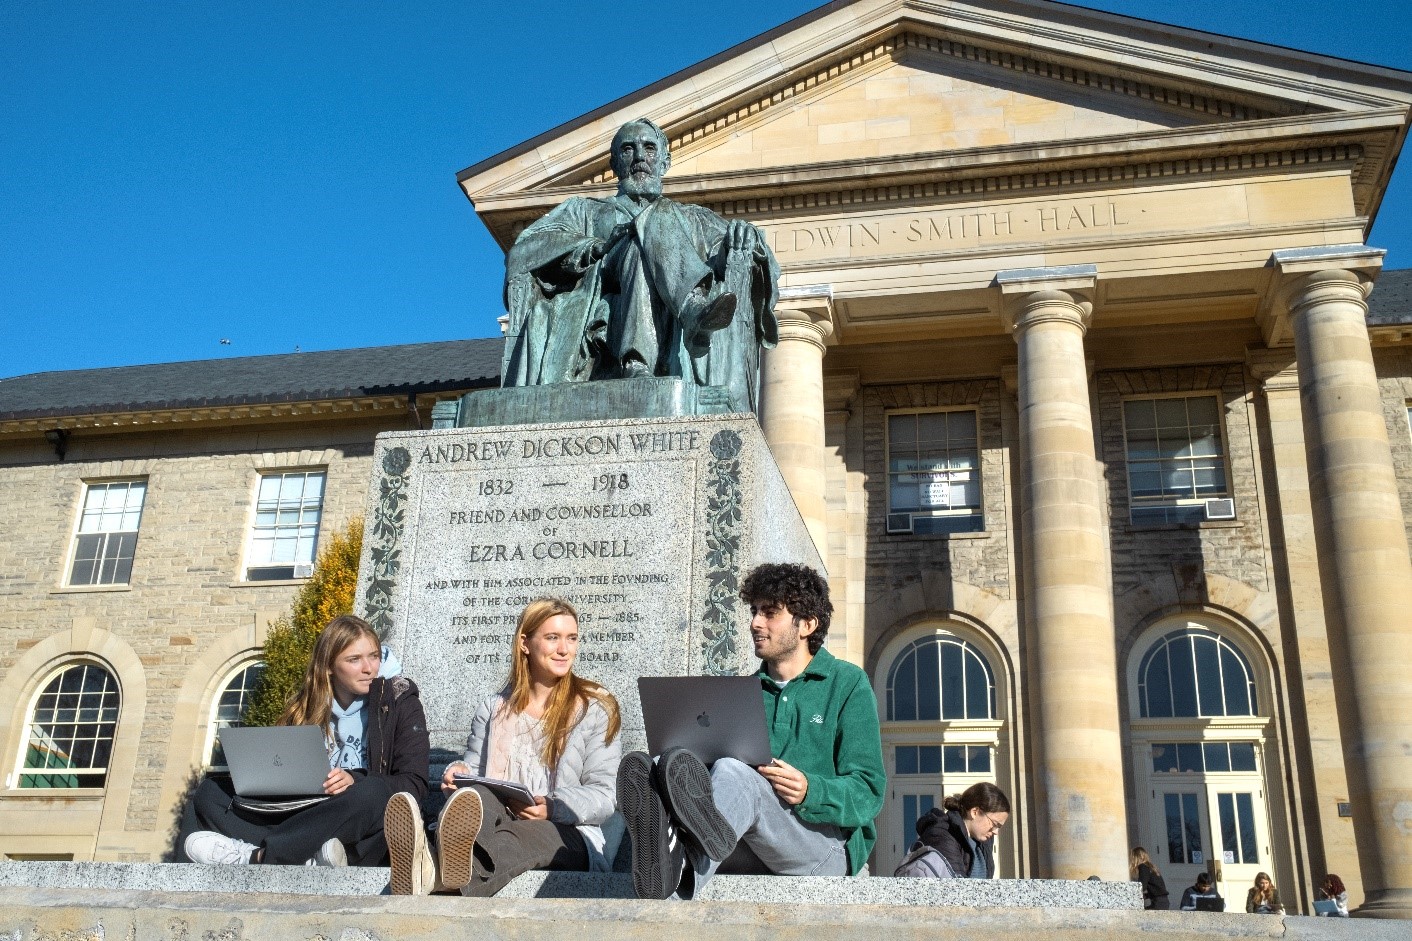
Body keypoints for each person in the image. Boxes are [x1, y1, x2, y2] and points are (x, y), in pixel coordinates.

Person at [617, 563, 886, 899]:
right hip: (746, 843)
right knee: (659, 764)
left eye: (770, 613)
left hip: (824, 849)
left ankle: (676, 862)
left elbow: (869, 791)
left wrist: (811, 790)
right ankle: (673, 854)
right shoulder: (742, 692)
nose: (755, 622)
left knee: (736, 772)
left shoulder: (847, 684)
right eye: (755, 611)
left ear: (807, 625)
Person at [502, 117, 781, 413]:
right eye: (627, 150)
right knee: (645, 228)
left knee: (652, 222)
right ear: (614, 163)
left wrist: (744, 238)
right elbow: (524, 250)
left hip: (656, 299)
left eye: (648, 148)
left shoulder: (691, 218)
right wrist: (595, 247)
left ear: (664, 161)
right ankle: (691, 311)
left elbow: (728, 253)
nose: (638, 157)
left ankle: (645, 357)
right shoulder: (584, 210)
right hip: (601, 291)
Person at [383, 597, 622, 896]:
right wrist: (457, 772)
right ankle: (435, 865)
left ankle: (430, 864)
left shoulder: (595, 709)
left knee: (522, 835)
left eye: (571, 638)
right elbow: (475, 773)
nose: (565, 649)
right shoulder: (493, 708)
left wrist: (554, 807)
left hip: (568, 833)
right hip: (499, 819)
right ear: (525, 643)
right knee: (477, 793)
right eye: (552, 638)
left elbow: (605, 794)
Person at [181, 615, 429, 866]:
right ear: (329, 665)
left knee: (373, 793)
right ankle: (308, 853)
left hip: (359, 821)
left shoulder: (399, 701)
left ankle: (261, 856)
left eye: (374, 656)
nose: (369, 667)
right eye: (354, 659)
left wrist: (356, 778)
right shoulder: (305, 706)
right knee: (210, 793)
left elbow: (414, 784)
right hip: (304, 812)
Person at [895, 782, 1009, 878]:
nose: (995, 831)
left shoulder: (983, 841)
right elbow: (955, 889)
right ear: (975, 812)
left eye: (999, 827)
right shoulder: (942, 834)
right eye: (994, 824)